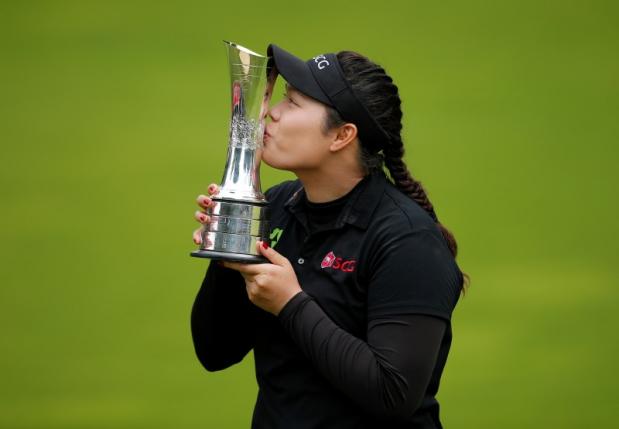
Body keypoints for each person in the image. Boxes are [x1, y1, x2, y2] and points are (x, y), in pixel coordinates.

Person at [190, 43, 467, 429]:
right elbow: (215, 351)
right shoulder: (278, 205)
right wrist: (228, 250)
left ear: (342, 135)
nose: (272, 111)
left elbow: (393, 394)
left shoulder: (407, 241)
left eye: (293, 102)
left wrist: (290, 302)